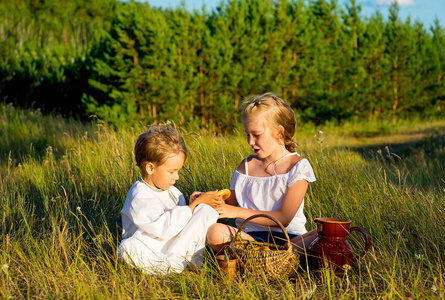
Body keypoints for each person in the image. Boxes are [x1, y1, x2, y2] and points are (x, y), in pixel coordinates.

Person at [207, 92, 317, 254]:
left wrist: (237, 212)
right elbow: (229, 202)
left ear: (279, 132)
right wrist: (206, 199)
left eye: (256, 135)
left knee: (328, 234)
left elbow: (284, 218)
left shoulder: (297, 166)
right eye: (247, 135)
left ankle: (265, 255)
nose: (250, 142)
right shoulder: (246, 166)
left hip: (289, 238)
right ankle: (274, 256)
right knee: (214, 232)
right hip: (249, 237)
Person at [117, 124, 223, 275]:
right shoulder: (139, 195)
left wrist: (194, 204)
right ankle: (177, 265)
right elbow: (164, 229)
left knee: (205, 210)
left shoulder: (173, 191)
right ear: (150, 168)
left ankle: (186, 260)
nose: (177, 177)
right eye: (172, 171)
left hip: (175, 246)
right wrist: (192, 206)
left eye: (178, 171)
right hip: (152, 249)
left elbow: (181, 225)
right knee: (128, 248)